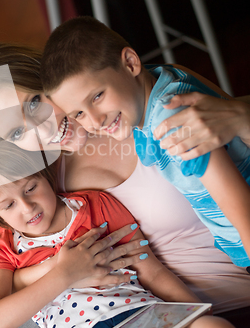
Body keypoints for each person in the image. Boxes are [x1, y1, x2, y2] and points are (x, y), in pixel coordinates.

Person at [0, 143, 250, 328]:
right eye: (9, 204)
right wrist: (64, 273)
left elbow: (153, 272)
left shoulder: (95, 205)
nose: (27, 206)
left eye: (30, 187)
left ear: (44, 176)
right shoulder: (2, 248)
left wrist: (192, 313)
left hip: (142, 313)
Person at [41, 17, 250, 270]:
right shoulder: (158, 83)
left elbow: (242, 209)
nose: (95, 120)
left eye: (97, 96)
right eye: (78, 114)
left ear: (130, 63)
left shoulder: (173, 120)